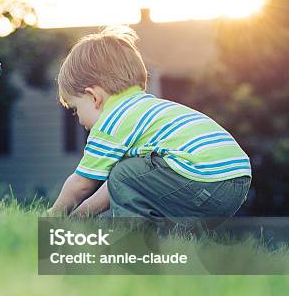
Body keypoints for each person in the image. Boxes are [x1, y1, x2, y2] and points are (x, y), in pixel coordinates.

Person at [48, 25, 251, 229]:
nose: (78, 119)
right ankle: (180, 243)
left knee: (124, 173)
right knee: (129, 173)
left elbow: (81, 184)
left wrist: (53, 216)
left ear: (94, 97)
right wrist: (81, 215)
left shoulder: (112, 122)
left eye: (75, 109)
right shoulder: (144, 112)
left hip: (203, 177)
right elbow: (117, 186)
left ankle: (132, 240)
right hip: (233, 180)